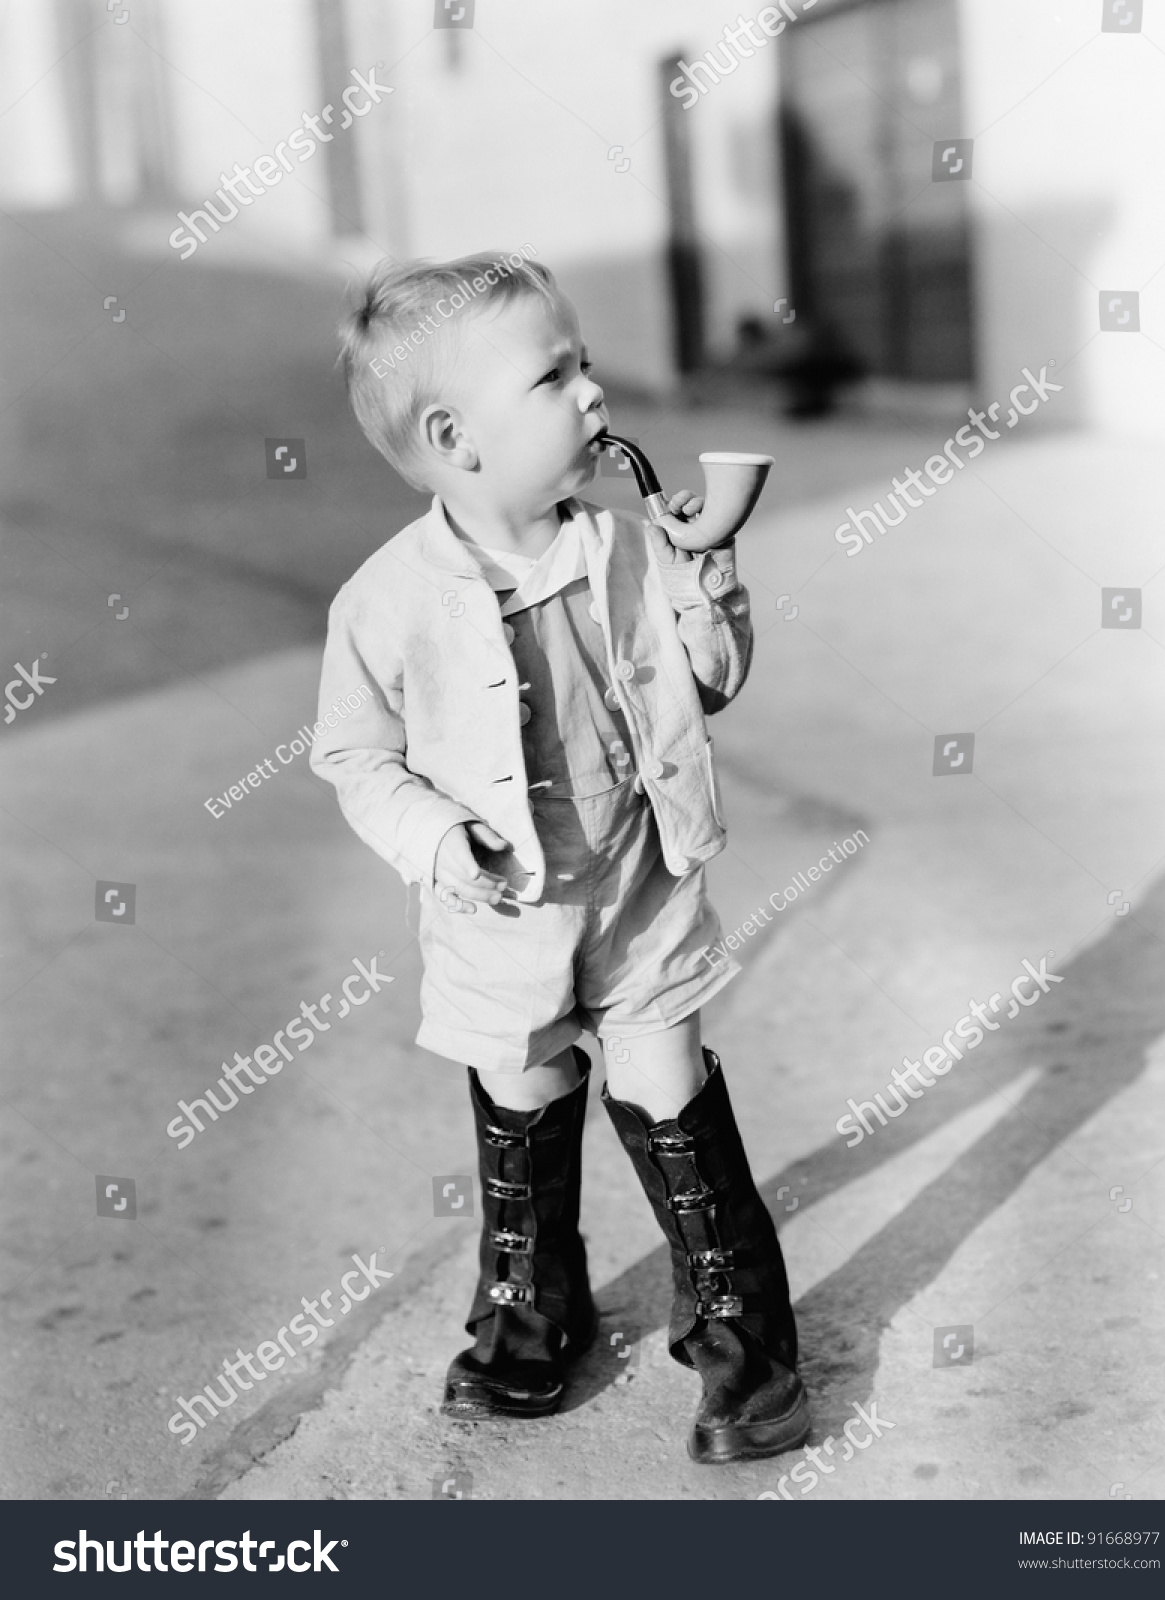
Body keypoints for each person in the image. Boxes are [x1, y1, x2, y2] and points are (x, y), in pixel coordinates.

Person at [310, 251, 809, 1464]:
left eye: (584, 364)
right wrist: (435, 838)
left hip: (638, 886)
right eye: (555, 375)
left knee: (666, 1087)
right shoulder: (384, 603)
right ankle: (537, 1308)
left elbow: (710, 686)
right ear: (455, 437)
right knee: (524, 1100)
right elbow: (353, 758)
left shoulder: (629, 549)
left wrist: (710, 581)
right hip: (499, 916)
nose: (593, 394)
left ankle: (741, 1334)